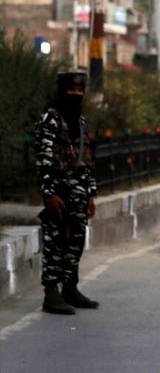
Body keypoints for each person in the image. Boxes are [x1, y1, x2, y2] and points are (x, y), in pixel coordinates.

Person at [35, 72, 99, 315]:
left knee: (76, 239)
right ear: (62, 91)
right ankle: (51, 293)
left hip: (79, 192)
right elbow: (43, 159)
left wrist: (90, 195)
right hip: (58, 189)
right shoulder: (49, 119)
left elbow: (87, 158)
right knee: (55, 240)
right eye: (72, 91)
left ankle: (70, 288)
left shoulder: (79, 122)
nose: (77, 95)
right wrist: (49, 192)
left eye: (80, 91)